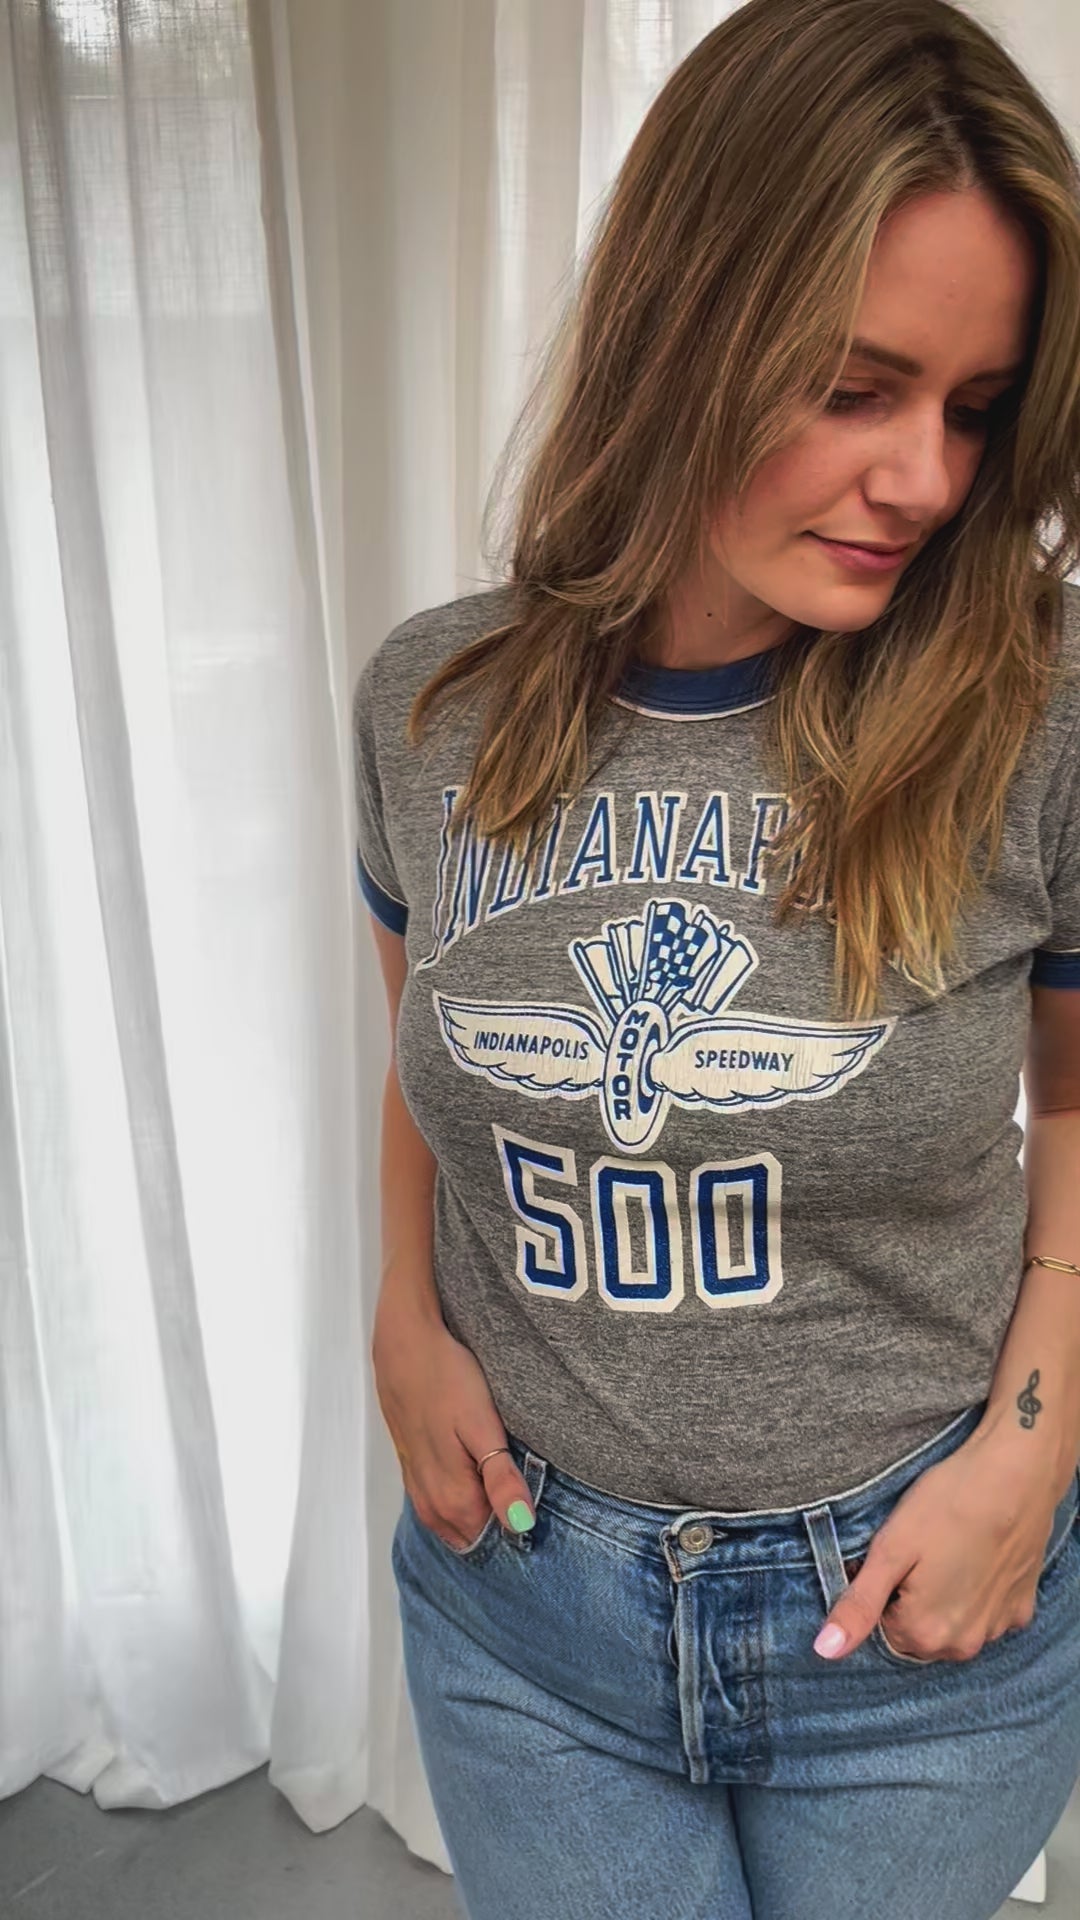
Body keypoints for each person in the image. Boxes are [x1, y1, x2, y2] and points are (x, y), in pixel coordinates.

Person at [352, 2, 1080, 1914]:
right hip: (525, 1609)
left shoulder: (1038, 704)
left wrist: (1034, 1444)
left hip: (906, 1625)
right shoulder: (430, 704)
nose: (926, 481)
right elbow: (431, 1054)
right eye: (853, 386)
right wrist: (400, 1314)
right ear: (684, 323)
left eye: (975, 407)